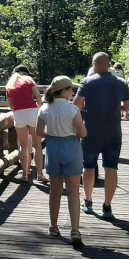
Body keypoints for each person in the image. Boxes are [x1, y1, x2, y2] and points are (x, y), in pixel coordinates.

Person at [74, 52, 129, 221]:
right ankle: (107, 205)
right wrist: (116, 108)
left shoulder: (87, 82)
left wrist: (89, 108)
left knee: (89, 166)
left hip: (91, 132)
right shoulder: (121, 83)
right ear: (109, 65)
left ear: (95, 65)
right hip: (114, 132)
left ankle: (88, 201)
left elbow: (77, 105)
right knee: (111, 168)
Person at [36, 75, 88, 246]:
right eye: (71, 89)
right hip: (71, 148)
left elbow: (39, 132)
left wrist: (52, 134)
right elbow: (82, 134)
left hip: (53, 149)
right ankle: (75, 229)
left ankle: (53, 226)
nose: (73, 92)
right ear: (64, 91)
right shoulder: (72, 110)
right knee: (73, 192)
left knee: (55, 191)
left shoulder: (44, 109)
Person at [6, 65, 43, 182]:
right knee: (37, 146)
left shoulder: (9, 85)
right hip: (32, 112)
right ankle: (40, 174)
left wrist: (16, 113)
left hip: (19, 115)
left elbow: (11, 105)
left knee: (23, 146)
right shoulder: (29, 80)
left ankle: (25, 174)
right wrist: (39, 108)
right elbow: (38, 96)